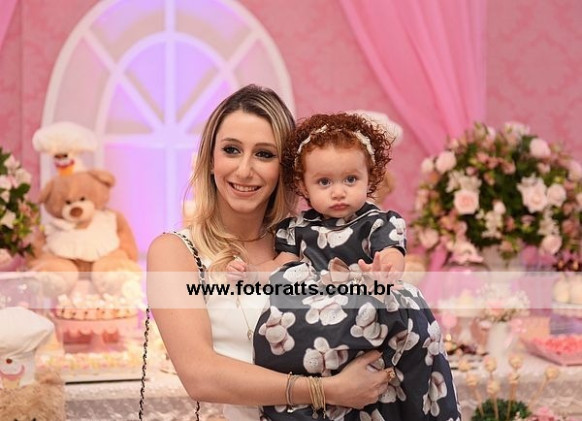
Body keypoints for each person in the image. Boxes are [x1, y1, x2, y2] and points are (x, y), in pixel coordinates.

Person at [147, 86, 393, 421]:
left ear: (286, 169)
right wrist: (326, 390)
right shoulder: (175, 252)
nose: (244, 170)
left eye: (264, 154)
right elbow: (200, 375)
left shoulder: (309, 242)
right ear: (210, 159)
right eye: (231, 150)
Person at [234, 113, 460, 420]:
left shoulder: (377, 222)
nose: (338, 191)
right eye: (324, 182)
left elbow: (391, 253)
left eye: (350, 180)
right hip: (312, 308)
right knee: (273, 326)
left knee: (402, 309)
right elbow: (280, 265)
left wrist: (384, 270)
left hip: (363, 298)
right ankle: (304, 402)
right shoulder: (296, 229)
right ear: (303, 185)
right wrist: (251, 273)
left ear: (370, 177)